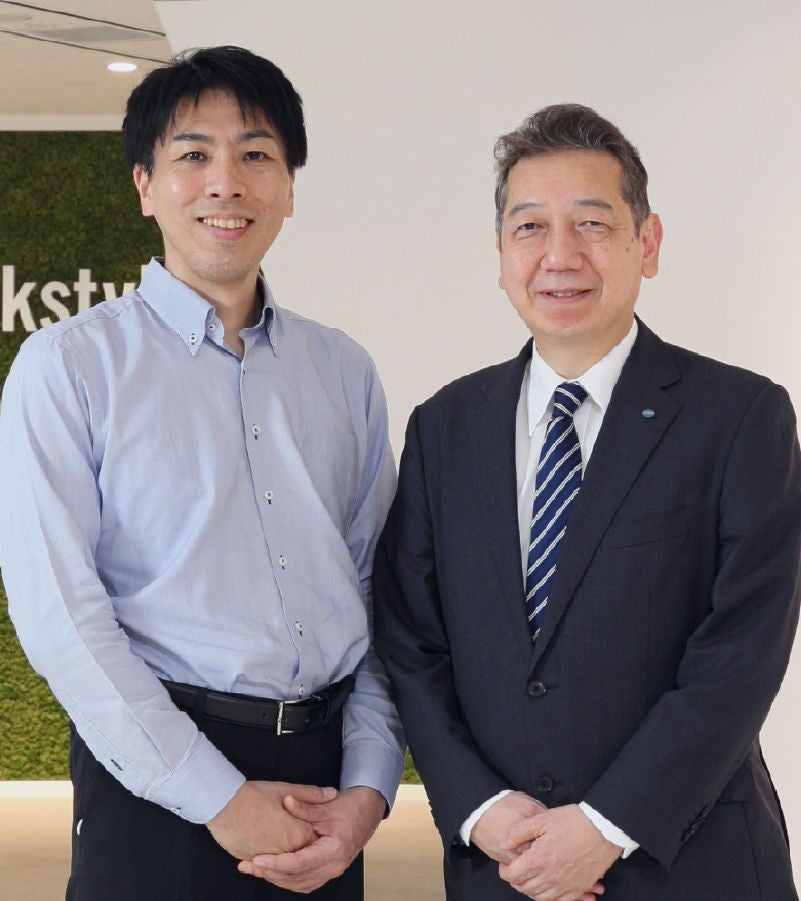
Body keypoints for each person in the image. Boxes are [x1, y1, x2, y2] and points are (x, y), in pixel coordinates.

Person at [0, 46, 404, 900]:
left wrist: (368, 786)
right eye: (193, 155)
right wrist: (216, 796)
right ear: (145, 184)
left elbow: (382, 592)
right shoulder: (68, 365)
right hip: (156, 777)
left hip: (323, 789)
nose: (227, 183)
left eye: (256, 155)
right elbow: (60, 617)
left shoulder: (343, 370)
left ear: (290, 187)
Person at [373, 103, 801, 900]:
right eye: (529, 227)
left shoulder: (739, 416)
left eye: (592, 224)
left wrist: (605, 823)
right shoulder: (445, 427)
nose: (558, 255)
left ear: (648, 243)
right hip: (504, 865)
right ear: (500, 254)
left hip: (689, 864)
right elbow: (409, 640)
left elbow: (740, 653)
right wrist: (480, 807)